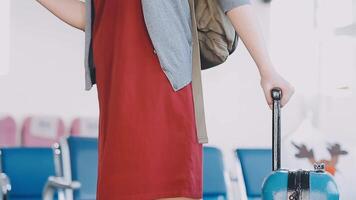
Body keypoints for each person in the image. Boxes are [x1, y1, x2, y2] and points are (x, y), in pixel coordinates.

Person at [36, 0, 295, 199]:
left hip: (164, 98)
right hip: (118, 109)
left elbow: (233, 1)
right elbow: (91, 18)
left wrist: (267, 69)